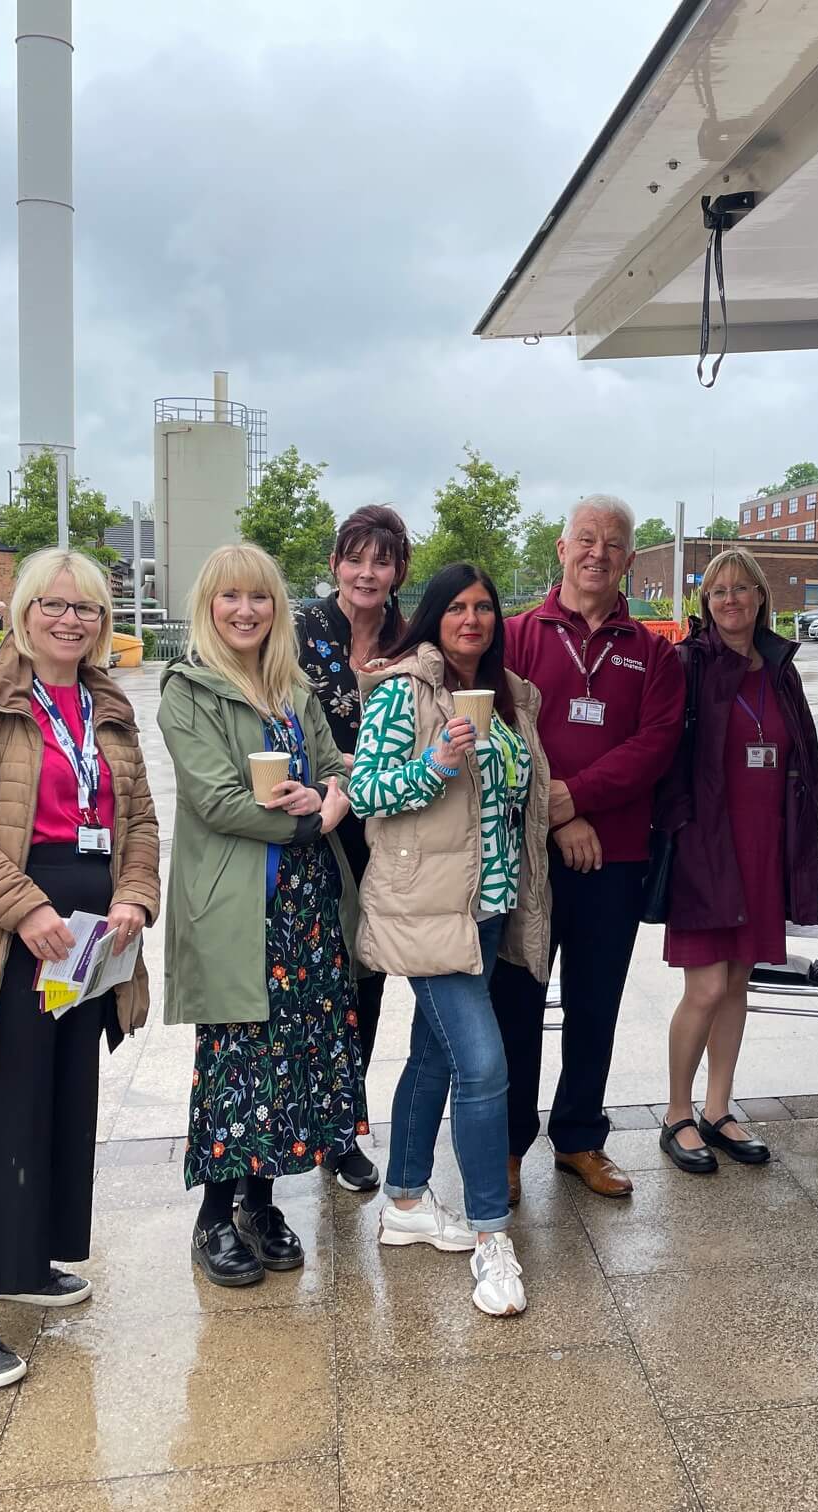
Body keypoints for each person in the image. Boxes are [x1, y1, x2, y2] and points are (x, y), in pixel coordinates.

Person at [0, 547, 159, 1387]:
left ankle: (24, 1260)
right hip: (6, 936)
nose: (70, 620)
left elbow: (143, 825)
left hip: (89, 942)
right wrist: (26, 909)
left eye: (86, 608)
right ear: (22, 613)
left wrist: (133, 897)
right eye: (53, 605)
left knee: (58, 1104)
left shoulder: (108, 707)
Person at [159, 543, 366, 1289]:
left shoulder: (291, 687)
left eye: (261, 598)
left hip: (306, 906)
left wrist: (333, 802)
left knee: (294, 1056)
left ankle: (260, 1200)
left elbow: (339, 764)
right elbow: (215, 800)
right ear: (208, 606)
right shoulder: (187, 690)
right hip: (240, 906)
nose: (246, 611)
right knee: (237, 1059)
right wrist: (308, 825)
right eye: (230, 597)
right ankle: (214, 1216)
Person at [349, 562, 551, 1316]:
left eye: (485, 608)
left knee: (433, 1055)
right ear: (433, 616)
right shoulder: (405, 689)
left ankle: (404, 1200)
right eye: (458, 607)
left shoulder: (506, 695)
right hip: (426, 909)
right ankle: (495, 1239)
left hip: (487, 910)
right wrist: (433, 765)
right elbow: (366, 788)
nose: (473, 619)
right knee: (484, 1063)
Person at [489, 496, 682, 1201]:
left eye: (614, 544)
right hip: (528, 855)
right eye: (586, 540)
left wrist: (581, 797)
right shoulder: (514, 636)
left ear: (631, 560)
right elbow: (504, 730)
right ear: (563, 549)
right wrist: (557, 812)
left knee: (596, 1004)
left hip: (617, 859)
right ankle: (508, 1145)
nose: (598, 553)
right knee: (517, 999)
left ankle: (579, 1138)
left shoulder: (653, 652)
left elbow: (655, 745)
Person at [654, 549, 818, 1174]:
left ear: (760, 598)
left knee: (738, 985)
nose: (729, 599)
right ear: (706, 603)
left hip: (763, 843)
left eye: (741, 588)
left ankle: (718, 1107)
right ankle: (676, 1112)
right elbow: (665, 750)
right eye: (717, 590)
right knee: (705, 986)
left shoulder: (781, 667)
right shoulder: (688, 663)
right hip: (705, 841)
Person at [294, 503, 412, 1194]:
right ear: (336, 561)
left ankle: (344, 1130)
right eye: (355, 558)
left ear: (399, 570)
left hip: (385, 832)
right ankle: (296, 1116)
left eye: (383, 560)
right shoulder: (299, 628)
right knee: (314, 977)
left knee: (368, 978)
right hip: (315, 829)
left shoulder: (405, 637)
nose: (368, 572)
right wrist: (333, 768)